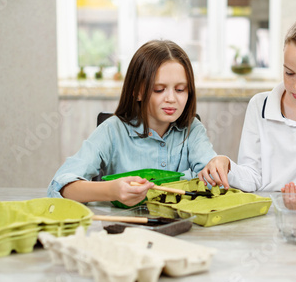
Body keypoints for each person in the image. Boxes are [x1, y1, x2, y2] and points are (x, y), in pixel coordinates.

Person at [199, 14, 296, 202]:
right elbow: (253, 177)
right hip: (266, 208)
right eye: (289, 73)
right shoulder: (259, 104)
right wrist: (227, 166)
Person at [48, 40, 218, 207]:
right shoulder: (112, 130)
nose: (171, 99)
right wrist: (111, 190)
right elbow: (59, 186)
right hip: (122, 229)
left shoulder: (193, 129)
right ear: (137, 92)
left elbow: (212, 181)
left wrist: (218, 167)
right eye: (159, 89)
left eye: (180, 89)